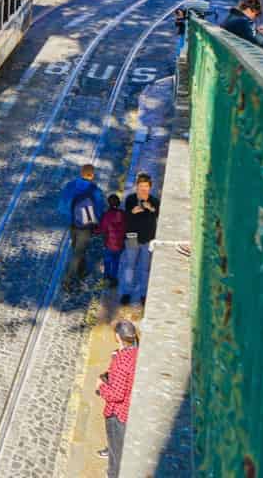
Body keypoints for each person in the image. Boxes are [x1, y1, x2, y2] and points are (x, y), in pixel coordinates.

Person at [97, 320, 140, 475]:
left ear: (117, 336)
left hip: (118, 414)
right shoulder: (135, 352)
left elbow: (116, 394)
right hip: (129, 409)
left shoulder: (121, 362)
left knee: (116, 457)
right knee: (118, 448)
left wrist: (100, 386)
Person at [60, 163, 107, 287]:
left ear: (81, 173)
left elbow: (62, 205)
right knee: (78, 253)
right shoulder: (94, 190)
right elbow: (99, 209)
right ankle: (67, 280)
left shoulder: (70, 185)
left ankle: (81, 271)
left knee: (77, 249)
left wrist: (69, 218)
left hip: (73, 223)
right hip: (86, 226)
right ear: (92, 175)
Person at [120, 173, 159, 306]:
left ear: (150, 188)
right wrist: (132, 212)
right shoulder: (130, 199)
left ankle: (143, 294)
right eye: (141, 186)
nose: (143, 189)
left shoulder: (154, 201)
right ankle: (126, 292)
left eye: (146, 187)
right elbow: (126, 216)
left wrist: (151, 208)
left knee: (145, 268)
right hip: (132, 237)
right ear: (137, 187)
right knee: (129, 266)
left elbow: (158, 213)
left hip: (148, 239)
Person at [96, 193, 127, 286]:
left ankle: (106, 276)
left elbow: (102, 229)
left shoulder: (106, 215)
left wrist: (95, 230)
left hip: (109, 242)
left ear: (108, 203)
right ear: (119, 203)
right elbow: (126, 227)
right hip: (120, 243)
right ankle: (114, 277)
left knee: (108, 259)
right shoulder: (123, 214)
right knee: (116, 260)